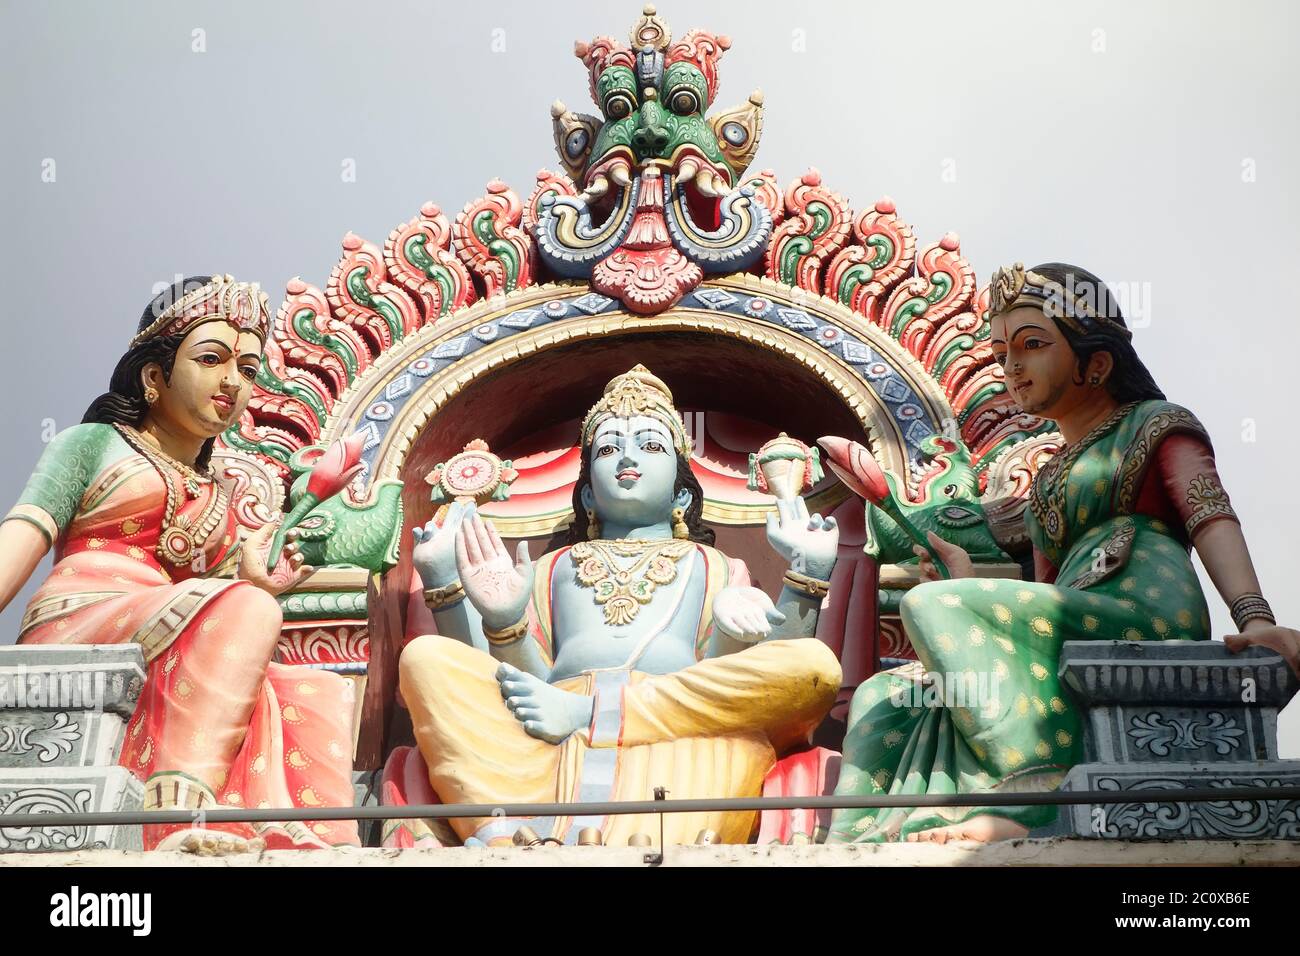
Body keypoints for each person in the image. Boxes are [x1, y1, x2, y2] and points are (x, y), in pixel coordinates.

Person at [828, 262, 1300, 844]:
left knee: (932, 606)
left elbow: (1209, 514)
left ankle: (1035, 799)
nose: (1012, 367)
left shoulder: (1155, 424)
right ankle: (858, 840)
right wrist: (967, 578)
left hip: (1141, 608)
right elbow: (1044, 600)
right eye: (1002, 353)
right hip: (1074, 614)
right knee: (886, 693)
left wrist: (1256, 619)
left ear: (1096, 363)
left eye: (1031, 345)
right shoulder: (1048, 477)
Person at [398, 365, 842, 846]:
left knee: (812, 663)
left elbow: (733, 684)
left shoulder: (713, 565)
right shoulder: (554, 566)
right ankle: (510, 832)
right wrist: (490, 610)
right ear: (588, 492)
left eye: (651, 446)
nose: (627, 459)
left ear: (680, 490)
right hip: (548, 728)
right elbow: (522, 687)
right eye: (608, 449)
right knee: (424, 658)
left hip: (675, 725)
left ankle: (596, 715)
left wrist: (806, 574)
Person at [0, 276, 359, 852]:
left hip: (172, 627)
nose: (232, 382)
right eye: (212, 359)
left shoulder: (218, 489)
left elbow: (217, 604)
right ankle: (176, 814)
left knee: (312, 690)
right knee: (247, 606)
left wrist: (251, 579)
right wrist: (243, 594)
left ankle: (311, 840)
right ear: (153, 376)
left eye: (247, 368)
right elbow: (24, 532)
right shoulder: (93, 444)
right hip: (86, 616)